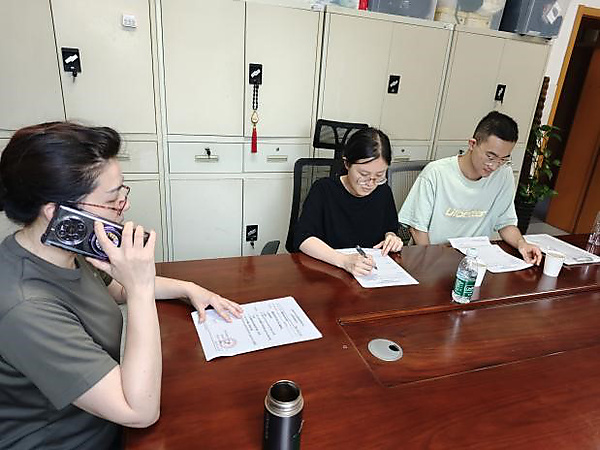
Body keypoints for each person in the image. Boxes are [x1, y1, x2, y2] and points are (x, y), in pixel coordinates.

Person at [0, 122, 243, 449]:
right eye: (113, 199)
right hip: (75, 440)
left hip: (106, 416)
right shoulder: (25, 307)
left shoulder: (67, 250)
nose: (123, 206)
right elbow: (139, 412)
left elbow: (115, 290)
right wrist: (141, 289)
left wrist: (187, 288)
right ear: (58, 213)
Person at [398, 111, 542, 264]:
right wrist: (431, 263)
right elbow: (417, 229)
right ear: (472, 144)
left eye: (503, 159)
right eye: (490, 157)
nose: (494, 166)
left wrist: (522, 244)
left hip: (475, 260)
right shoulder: (436, 173)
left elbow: (505, 223)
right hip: (433, 257)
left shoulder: (503, 175)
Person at [293, 127, 403, 276]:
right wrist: (344, 261)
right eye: (364, 174)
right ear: (347, 164)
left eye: (379, 175)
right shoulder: (323, 190)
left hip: (369, 275)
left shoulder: (383, 192)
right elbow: (303, 238)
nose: (370, 183)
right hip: (328, 274)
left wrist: (391, 238)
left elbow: (390, 228)